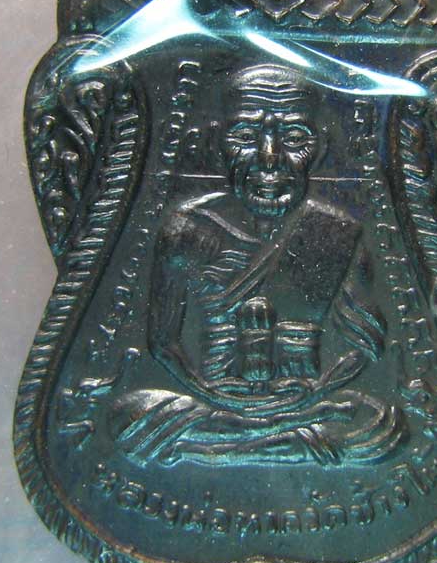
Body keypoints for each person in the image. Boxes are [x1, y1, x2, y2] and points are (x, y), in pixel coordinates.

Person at [111, 64, 402, 465]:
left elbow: (364, 346)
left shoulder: (335, 231)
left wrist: (314, 392)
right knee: (129, 414)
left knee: (380, 422)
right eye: (245, 137)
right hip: (213, 400)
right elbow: (162, 343)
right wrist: (212, 394)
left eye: (294, 139)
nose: (269, 158)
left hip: (302, 402)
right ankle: (278, 445)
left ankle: (217, 450)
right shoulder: (187, 227)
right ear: (217, 145)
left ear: (319, 150)